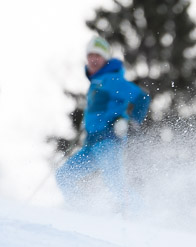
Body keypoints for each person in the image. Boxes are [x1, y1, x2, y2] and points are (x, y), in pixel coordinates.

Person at [56, 36, 150, 209]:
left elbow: (142, 98)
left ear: (105, 58)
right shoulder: (96, 83)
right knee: (64, 175)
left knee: (116, 185)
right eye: (90, 55)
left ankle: (144, 217)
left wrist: (131, 124)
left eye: (98, 55)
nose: (93, 59)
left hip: (108, 142)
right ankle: (81, 212)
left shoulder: (111, 80)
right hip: (91, 145)